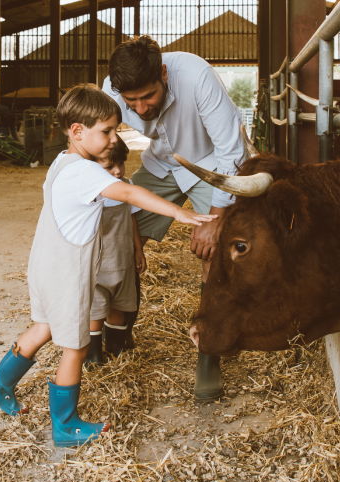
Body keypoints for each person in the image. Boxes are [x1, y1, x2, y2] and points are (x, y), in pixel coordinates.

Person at [0, 83, 217, 448]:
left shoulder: (63, 161)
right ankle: (65, 424)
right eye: (106, 131)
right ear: (77, 131)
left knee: (42, 328)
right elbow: (129, 192)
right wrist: (178, 212)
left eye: (115, 130)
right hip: (68, 273)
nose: (112, 139)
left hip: (44, 265)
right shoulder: (86, 173)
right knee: (74, 346)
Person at [102, 36, 245, 402]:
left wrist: (216, 218)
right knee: (119, 237)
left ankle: (208, 354)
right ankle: (119, 334)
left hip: (210, 166)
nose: (140, 108)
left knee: (215, 253)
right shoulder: (112, 91)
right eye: (130, 102)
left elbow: (232, 150)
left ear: (163, 74)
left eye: (147, 96)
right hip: (161, 164)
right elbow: (98, 142)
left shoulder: (197, 76)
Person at [86, 136, 145, 367]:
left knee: (119, 306)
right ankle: (93, 354)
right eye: (109, 166)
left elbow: (132, 220)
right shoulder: (90, 194)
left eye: (121, 163)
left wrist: (138, 250)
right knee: (96, 310)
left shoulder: (128, 187)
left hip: (123, 259)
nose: (118, 171)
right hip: (99, 264)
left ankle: (115, 347)